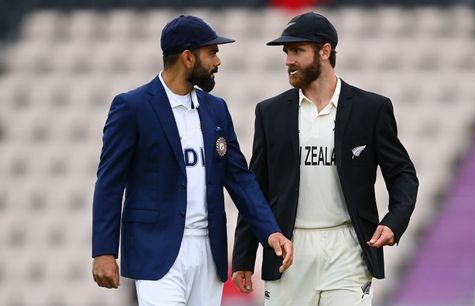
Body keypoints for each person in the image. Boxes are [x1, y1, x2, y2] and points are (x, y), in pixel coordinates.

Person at [91, 15, 293, 306]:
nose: (218, 61)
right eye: (211, 53)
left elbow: (239, 178)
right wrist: (104, 251)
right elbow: (110, 181)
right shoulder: (132, 107)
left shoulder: (216, 109)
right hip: (157, 250)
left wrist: (270, 231)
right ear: (187, 57)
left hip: (209, 253)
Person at [232, 11, 418, 306]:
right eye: (286, 52)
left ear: (325, 51)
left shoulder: (372, 109)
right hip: (288, 251)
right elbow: (257, 188)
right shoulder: (270, 112)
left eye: (297, 51)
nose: (288, 60)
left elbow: (403, 174)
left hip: (348, 248)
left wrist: (395, 221)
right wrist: (243, 255)